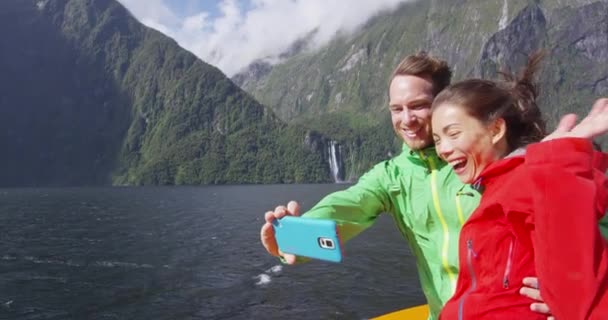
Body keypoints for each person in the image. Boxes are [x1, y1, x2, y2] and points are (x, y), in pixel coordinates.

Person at [260, 52, 559, 320]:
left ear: (444, 103)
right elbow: (348, 206)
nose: (407, 120)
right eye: (396, 109)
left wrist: (567, 286)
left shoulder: (485, 159)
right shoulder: (392, 176)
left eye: (418, 106)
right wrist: (292, 239)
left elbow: (583, 218)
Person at [431, 53, 608, 319]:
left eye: (453, 133)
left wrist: (558, 161)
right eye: (436, 139)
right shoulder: (500, 185)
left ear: (496, 130)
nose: (443, 149)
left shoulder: (525, 183)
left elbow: (574, 276)